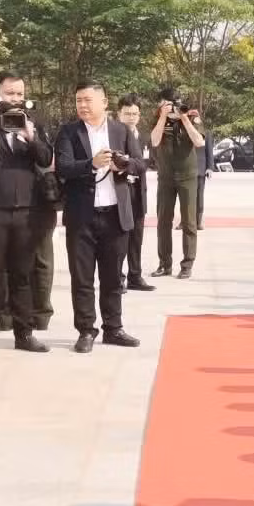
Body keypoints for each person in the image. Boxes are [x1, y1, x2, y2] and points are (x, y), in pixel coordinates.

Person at [54, 82, 145, 353]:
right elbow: (64, 168)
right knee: (82, 278)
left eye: (88, 100)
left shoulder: (121, 131)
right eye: (78, 100)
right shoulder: (68, 133)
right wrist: (91, 165)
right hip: (82, 217)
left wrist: (124, 163)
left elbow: (141, 164)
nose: (82, 105)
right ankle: (85, 330)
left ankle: (113, 328)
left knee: (112, 277)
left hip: (115, 216)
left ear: (104, 102)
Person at [0, 72, 55, 354]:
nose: (15, 99)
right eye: (9, 93)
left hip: (27, 211)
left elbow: (46, 158)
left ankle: (24, 333)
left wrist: (30, 135)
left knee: (22, 275)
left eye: (19, 94)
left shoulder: (34, 124)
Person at [150, 90, 207, 280]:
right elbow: (154, 140)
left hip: (188, 176)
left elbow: (199, 142)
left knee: (189, 222)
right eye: (169, 104)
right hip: (165, 176)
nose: (174, 107)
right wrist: (163, 117)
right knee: (163, 221)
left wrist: (184, 119)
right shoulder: (158, 117)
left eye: (176, 103)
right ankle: (164, 264)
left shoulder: (192, 116)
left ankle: (187, 264)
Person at [117, 96, 153, 292]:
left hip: (138, 192)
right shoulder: (113, 135)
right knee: (121, 238)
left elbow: (146, 163)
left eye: (134, 114)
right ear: (119, 114)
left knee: (137, 237)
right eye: (127, 113)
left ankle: (135, 276)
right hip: (121, 191)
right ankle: (118, 278)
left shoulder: (144, 136)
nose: (131, 117)